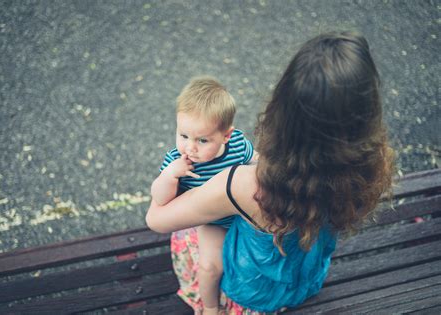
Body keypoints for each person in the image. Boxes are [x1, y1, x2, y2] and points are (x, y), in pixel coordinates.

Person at [147, 31, 394, 314]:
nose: (191, 147)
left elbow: (156, 219)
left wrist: (169, 176)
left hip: (253, 292)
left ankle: (210, 307)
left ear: (282, 109)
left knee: (197, 243)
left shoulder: (240, 184)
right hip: (304, 277)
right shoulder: (365, 168)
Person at [150, 76, 256, 314]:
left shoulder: (237, 144)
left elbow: (254, 159)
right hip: (213, 221)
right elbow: (159, 199)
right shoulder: (178, 162)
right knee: (210, 266)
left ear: (225, 136)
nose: (190, 147)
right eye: (183, 135)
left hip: (244, 214)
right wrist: (169, 176)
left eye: (202, 140)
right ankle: (210, 306)